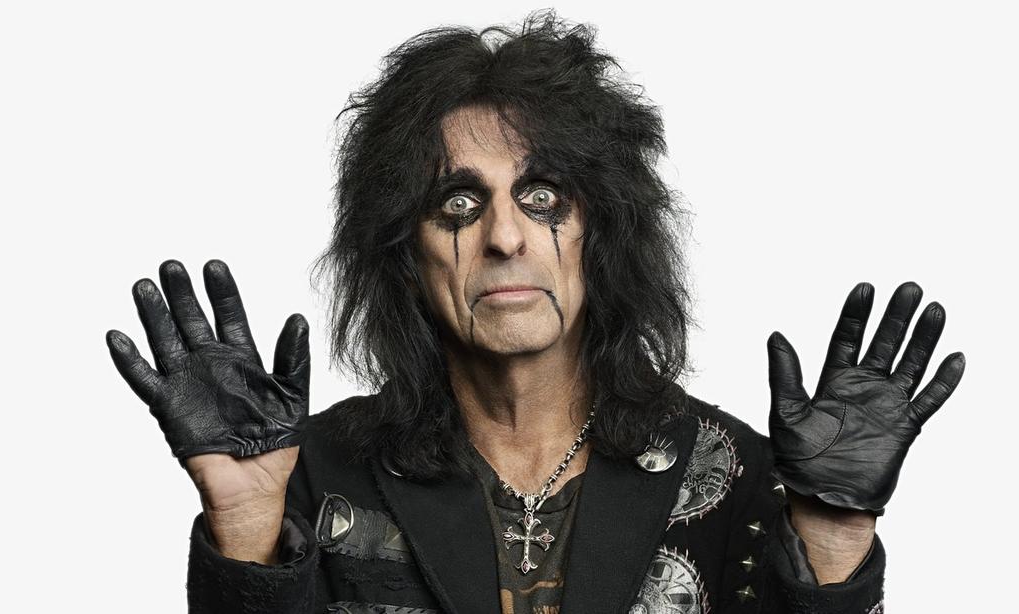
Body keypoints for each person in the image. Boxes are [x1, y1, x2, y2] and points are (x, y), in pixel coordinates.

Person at [105, 11, 965, 614]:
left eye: (543, 197)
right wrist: (247, 529)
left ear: (603, 231)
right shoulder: (312, 471)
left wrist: (834, 535)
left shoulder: (731, 472)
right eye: (457, 204)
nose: (506, 236)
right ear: (405, 253)